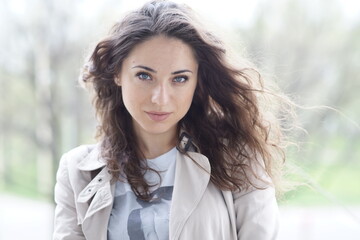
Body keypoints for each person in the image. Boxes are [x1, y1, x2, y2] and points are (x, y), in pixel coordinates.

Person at [53, 0, 291, 239]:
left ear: (197, 80)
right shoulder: (78, 172)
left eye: (179, 79)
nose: (160, 98)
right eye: (144, 75)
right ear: (117, 73)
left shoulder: (238, 159)